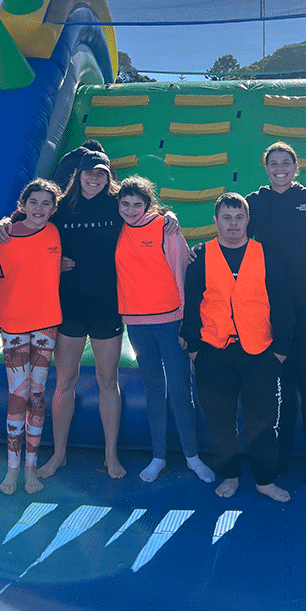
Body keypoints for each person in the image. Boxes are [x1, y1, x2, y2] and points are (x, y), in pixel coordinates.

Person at [0, 150, 179, 480]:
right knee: (65, 381)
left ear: (109, 177)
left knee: (109, 381)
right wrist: (6, 222)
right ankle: (60, 454)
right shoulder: (60, 207)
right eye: (89, 173)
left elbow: (144, 211)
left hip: (108, 306)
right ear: (78, 174)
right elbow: (26, 218)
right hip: (70, 306)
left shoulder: (115, 204)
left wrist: (169, 216)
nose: (94, 178)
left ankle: (110, 455)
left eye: (101, 174)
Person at [180, 192, 294, 502]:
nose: (233, 224)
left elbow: (282, 304)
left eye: (239, 217)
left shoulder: (266, 254)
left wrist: (280, 350)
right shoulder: (201, 256)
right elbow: (191, 304)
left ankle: (265, 480)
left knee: (263, 421)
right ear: (215, 221)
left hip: (260, 352)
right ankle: (229, 475)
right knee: (220, 422)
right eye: (227, 218)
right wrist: (193, 348)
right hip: (213, 353)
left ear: (247, 220)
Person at [245, 142, 306, 486]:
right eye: (273, 163)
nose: (280, 168)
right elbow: (231, 239)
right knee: (279, 393)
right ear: (266, 168)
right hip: (272, 317)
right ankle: (281, 458)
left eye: (286, 162)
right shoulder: (254, 203)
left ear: (296, 167)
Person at [114, 175, 215, 484]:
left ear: (148, 205)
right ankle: (158, 456)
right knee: (154, 390)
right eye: (125, 204)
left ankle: (193, 456)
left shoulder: (164, 228)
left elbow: (181, 270)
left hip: (170, 321)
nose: (131, 210)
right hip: (136, 323)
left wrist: (185, 320)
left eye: (137, 204)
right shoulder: (116, 229)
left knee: (181, 389)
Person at [0, 179, 62, 495]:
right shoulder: (1, 237)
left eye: (47, 203)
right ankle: (11, 469)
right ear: (23, 204)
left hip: (46, 325)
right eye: (34, 202)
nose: (40, 209)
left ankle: (30, 467)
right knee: (17, 397)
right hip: (15, 327)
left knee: (37, 396)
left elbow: (52, 265)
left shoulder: (55, 234)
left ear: (54, 209)